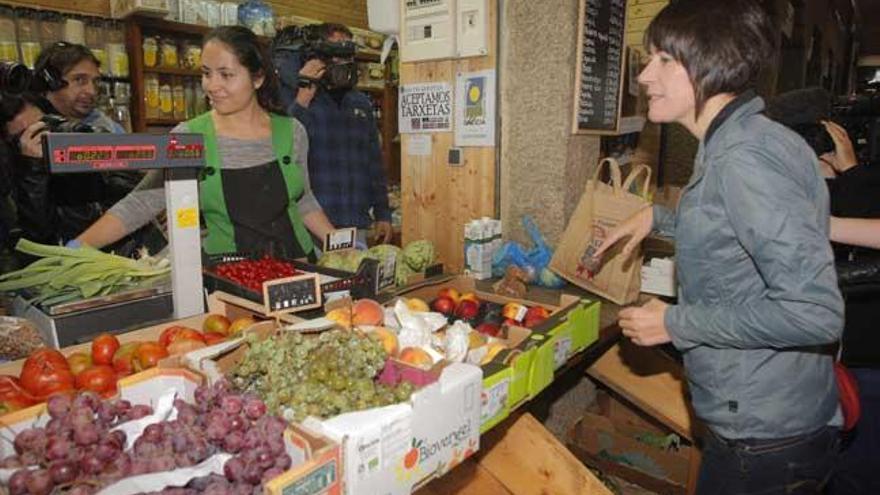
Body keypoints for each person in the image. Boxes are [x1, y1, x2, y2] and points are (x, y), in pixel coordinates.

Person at [592, 1, 844, 493]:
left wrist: (672, 321)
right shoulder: (752, 136)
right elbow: (741, 223)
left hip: (764, 439)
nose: (645, 75)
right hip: (773, 422)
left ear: (710, 61)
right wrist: (659, 216)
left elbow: (814, 313)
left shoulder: (743, 160)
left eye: (664, 58)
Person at [74, 26, 335, 260]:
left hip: (297, 266)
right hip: (230, 278)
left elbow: (303, 200)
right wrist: (78, 247)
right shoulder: (190, 136)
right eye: (206, 73)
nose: (212, 85)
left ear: (258, 78)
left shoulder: (291, 131)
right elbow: (142, 203)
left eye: (226, 74)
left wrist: (341, 245)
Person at [279, 23, 392, 247]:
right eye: (335, 56)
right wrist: (302, 98)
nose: (342, 64)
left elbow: (373, 162)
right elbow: (282, 148)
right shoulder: (294, 97)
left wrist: (383, 213)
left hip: (354, 222)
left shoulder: (360, 103)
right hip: (309, 224)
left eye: (347, 56)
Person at [0, 92, 131, 249]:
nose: (37, 139)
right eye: (24, 136)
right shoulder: (10, 186)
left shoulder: (72, 155)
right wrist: (32, 170)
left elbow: (132, 202)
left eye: (41, 126)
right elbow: (36, 242)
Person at [32, 42, 124, 134]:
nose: (92, 91)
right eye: (79, 80)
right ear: (51, 82)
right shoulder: (27, 128)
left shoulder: (112, 131)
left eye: (96, 82)